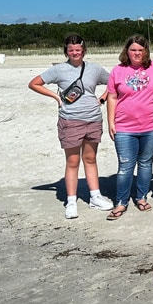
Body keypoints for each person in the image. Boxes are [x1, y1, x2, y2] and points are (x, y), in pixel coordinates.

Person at [28, 34, 113, 219]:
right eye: (71, 50)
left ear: (84, 50)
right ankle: (71, 201)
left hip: (93, 119)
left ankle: (95, 196)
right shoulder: (58, 70)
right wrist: (56, 97)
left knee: (90, 158)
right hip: (70, 120)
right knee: (73, 161)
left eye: (78, 49)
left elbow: (114, 82)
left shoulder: (95, 69)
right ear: (66, 51)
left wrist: (103, 98)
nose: (75, 53)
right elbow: (34, 83)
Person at [105, 35, 153, 220]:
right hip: (124, 126)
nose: (137, 53)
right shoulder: (118, 70)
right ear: (127, 51)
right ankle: (121, 202)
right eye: (133, 50)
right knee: (125, 165)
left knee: (145, 163)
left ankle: (141, 197)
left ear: (146, 51)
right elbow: (112, 97)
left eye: (141, 50)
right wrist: (110, 122)